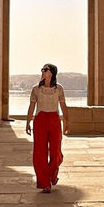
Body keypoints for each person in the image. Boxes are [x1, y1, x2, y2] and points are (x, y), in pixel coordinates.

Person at [25, 63, 70, 193]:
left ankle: (52, 174)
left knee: (56, 152)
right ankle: (45, 183)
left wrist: (67, 122)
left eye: (45, 69)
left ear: (51, 73)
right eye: (42, 70)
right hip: (40, 121)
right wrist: (28, 122)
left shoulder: (59, 89)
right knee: (40, 153)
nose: (43, 71)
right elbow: (32, 107)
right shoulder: (36, 89)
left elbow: (63, 107)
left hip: (54, 120)